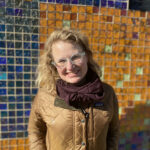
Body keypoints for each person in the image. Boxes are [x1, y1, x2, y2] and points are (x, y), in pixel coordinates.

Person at [28, 29, 119, 150]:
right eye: (62, 61)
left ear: (86, 56)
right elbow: (35, 131)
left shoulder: (107, 93)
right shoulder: (45, 96)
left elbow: (113, 132)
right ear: (53, 64)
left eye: (75, 57)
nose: (70, 67)